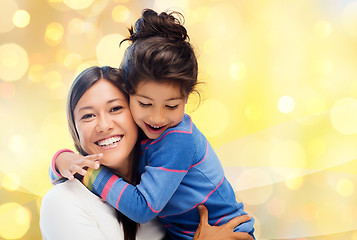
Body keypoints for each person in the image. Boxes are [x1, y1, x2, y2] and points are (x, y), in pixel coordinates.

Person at [51, 9, 255, 240]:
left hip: (227, 234)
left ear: (187, 98)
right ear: (129, 93)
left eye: (171, 106)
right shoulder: (138, 131)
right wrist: (63, 161)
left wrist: (88, 173)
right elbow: (63, 173)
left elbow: (142, 208)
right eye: (145, 104)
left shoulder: (178, 139)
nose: (157, 119)